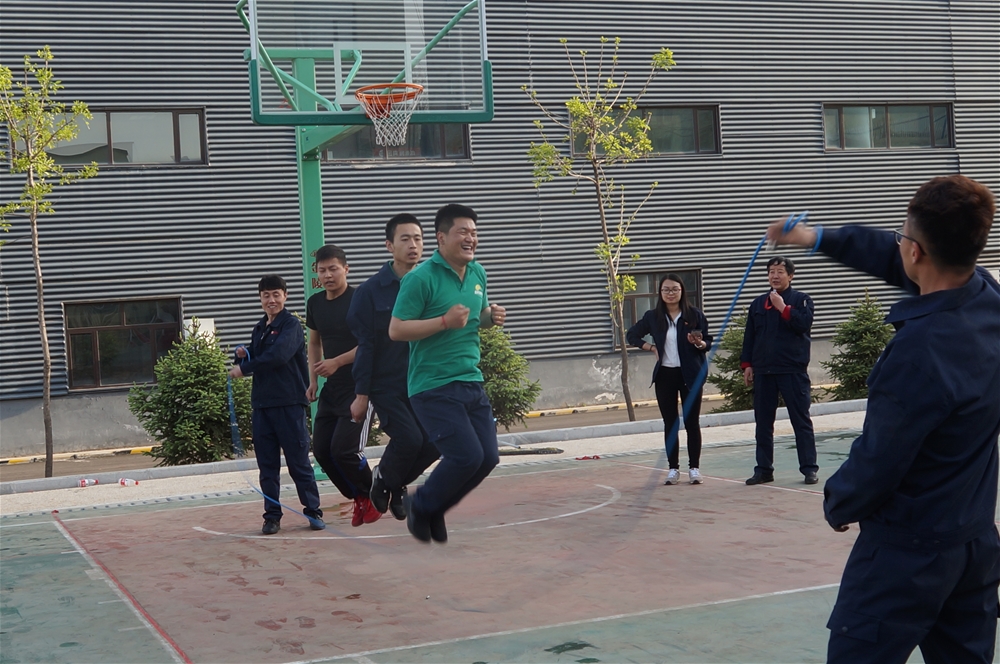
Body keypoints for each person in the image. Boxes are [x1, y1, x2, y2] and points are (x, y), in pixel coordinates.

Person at [767, 175, 999, 664]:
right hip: (974, 545)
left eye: (901, 238)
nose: (896, 246)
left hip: (904, 554)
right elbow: (891, 257)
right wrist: (816, 237)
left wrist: (840, 501)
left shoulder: (919, 352)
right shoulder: (985, 297)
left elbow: (882, 457)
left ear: (915, 252)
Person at [389, 203, 506, 543]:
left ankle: (431, 505)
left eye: (474, 233)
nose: (471, 239)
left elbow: (475, 318)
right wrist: (443, 321)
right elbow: (396, 329)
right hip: (433, 385)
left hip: (470, 379)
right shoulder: (420, 278)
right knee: (465, 456)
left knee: (487, 458)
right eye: (463, 232)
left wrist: (490, 318)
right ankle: (421, 504)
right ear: (441, 238)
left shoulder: (478, 273)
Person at [347, 214, 441, 520]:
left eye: (418, 238)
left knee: (436, 441)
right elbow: (366, 346)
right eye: (405, 239)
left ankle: (391, 481)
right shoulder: (370, 292)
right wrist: (361, 395)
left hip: (423, 381)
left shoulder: (431, 284)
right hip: (386, 385)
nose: (413, 245)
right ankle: (388, 479)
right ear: (389, 245)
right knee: (410, 438)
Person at [229, 275, 325, 535]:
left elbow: (278, 355)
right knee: (267, 466)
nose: (271, 300)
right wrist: (244, 354)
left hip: (289, 404)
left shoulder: (291, 325)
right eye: (266, 295)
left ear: (285, 296)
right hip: (262, 406)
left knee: (298, 463)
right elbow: (257, 354)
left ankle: (313, 510)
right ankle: (272, 517)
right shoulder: (260, 327)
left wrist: (245, 368)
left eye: (276, 294)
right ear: (260, 299)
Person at [305, 245, 380, 527]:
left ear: (346, 269)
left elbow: (370, 344)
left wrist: (337, 361)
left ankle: (375, 493)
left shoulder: (360, 299)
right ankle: (359, 495)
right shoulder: (315, 303)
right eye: (322, 270)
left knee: (344, 450)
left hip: (359, 387)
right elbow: (314, 342)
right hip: (332, 389)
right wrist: (313, 380)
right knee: (322, 451)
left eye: (333, 269)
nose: (327, 275)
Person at [626, 274, 712, 485]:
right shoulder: (653, 316)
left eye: (675, 289)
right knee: (670, 423)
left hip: (690, 374)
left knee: (692, 422)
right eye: (666, 290)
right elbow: (631, 335)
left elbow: (707, 342)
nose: (670, 293)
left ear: (682, 291)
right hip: (665, 375)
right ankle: (673, 469)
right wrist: (651, 347)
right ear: (660, 293)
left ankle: (694, 468)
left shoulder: (694, 315)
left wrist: (699, 343)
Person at [740, 256, 819, 485]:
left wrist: (783, 308)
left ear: (790, 276)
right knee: (763, 423)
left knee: (801, 421)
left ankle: (809, 469)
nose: (775, 276)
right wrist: (747, 364)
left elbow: (803, 324)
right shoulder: (758, 304)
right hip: (764, 371)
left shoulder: (801, 300)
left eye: (780, 272)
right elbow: (750, 336)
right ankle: (764, 469)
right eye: (771, 272)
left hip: (792, 369)